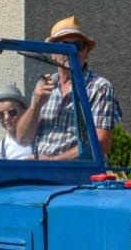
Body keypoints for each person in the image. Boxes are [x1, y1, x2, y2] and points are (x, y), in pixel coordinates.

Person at [15, 15, 121, 161]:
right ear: (53, 53)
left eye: (78, 46)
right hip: (40, 173)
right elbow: (22, 139)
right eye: (63, 46)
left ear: (86, 53)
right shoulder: (45, 85)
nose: (72, 51)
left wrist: (53, 162)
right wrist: (35, 105)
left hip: (80, 175)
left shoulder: (99, 87)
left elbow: (101, 143)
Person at [0, 84, 34, 160]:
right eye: (0, 115)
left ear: (24, 113)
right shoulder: (2, 146)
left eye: (12, 112)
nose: (6, 118)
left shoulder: (36, 139)